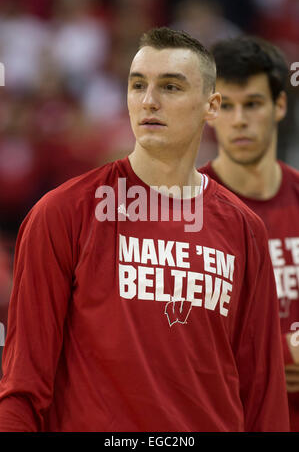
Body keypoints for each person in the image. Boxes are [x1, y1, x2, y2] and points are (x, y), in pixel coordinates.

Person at [0, 27, 289, 432]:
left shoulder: (244, 229)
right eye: (138, 85)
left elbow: (262, 395)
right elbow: (22, 387)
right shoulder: (62, 213)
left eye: (170, 86)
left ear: (212, 106)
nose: (149, 100)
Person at [199, 35, 299, 431]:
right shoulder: (184, 211)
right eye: (227, 106)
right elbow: (180, 336)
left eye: (253, 104)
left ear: (279, 106)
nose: (239, 120)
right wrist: (281, 354)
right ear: (209, 111)